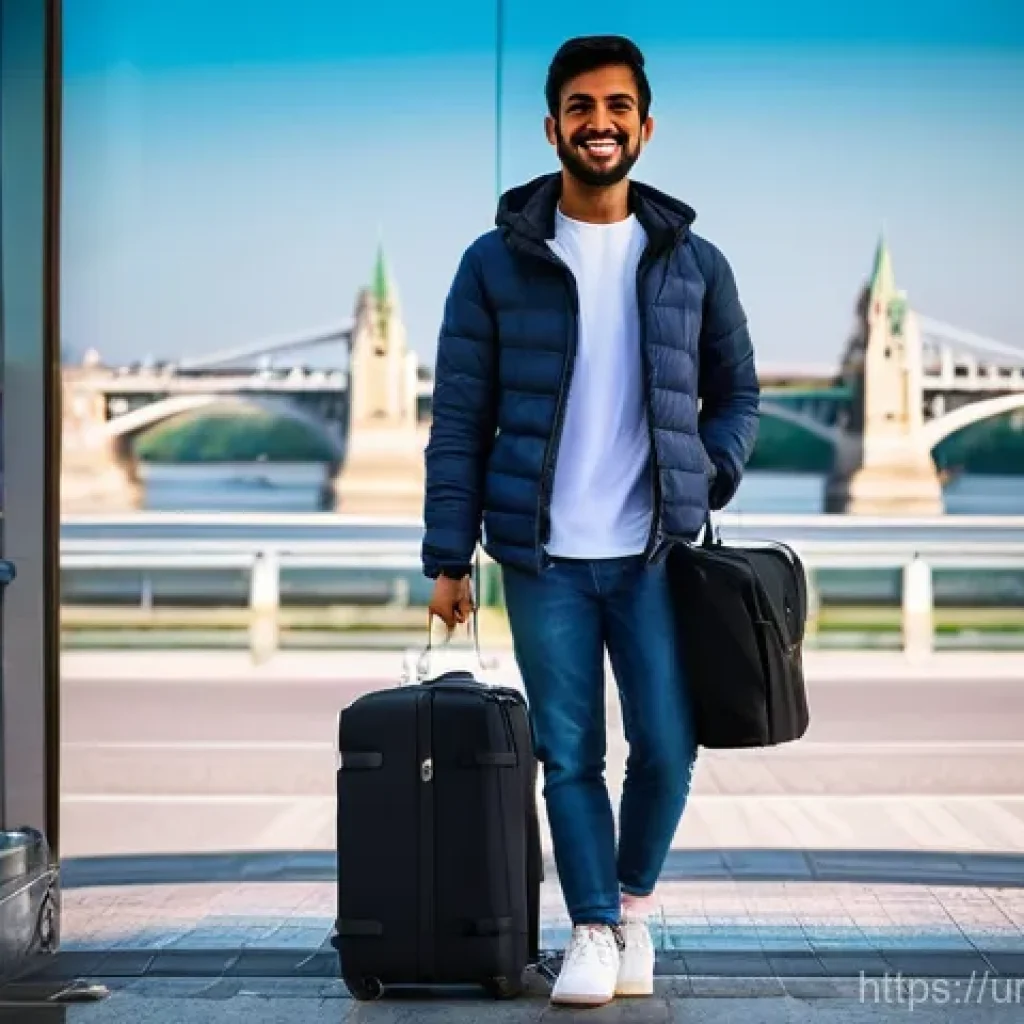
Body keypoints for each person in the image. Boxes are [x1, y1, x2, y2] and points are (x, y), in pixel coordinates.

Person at [421, 34, 759, 1008]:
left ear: (643, 128)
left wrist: (707, 471)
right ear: (552, 126)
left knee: (666, 744)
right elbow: (458, 417)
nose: (598, 123)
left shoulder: (694, 262)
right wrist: (450, 555)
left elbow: (737, 392)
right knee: (568, 754)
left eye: (616, 108)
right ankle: (592, 930)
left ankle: (633, 900)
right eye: (580, 107)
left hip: (657, 555)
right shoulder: (493, 264)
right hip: (542, 558)